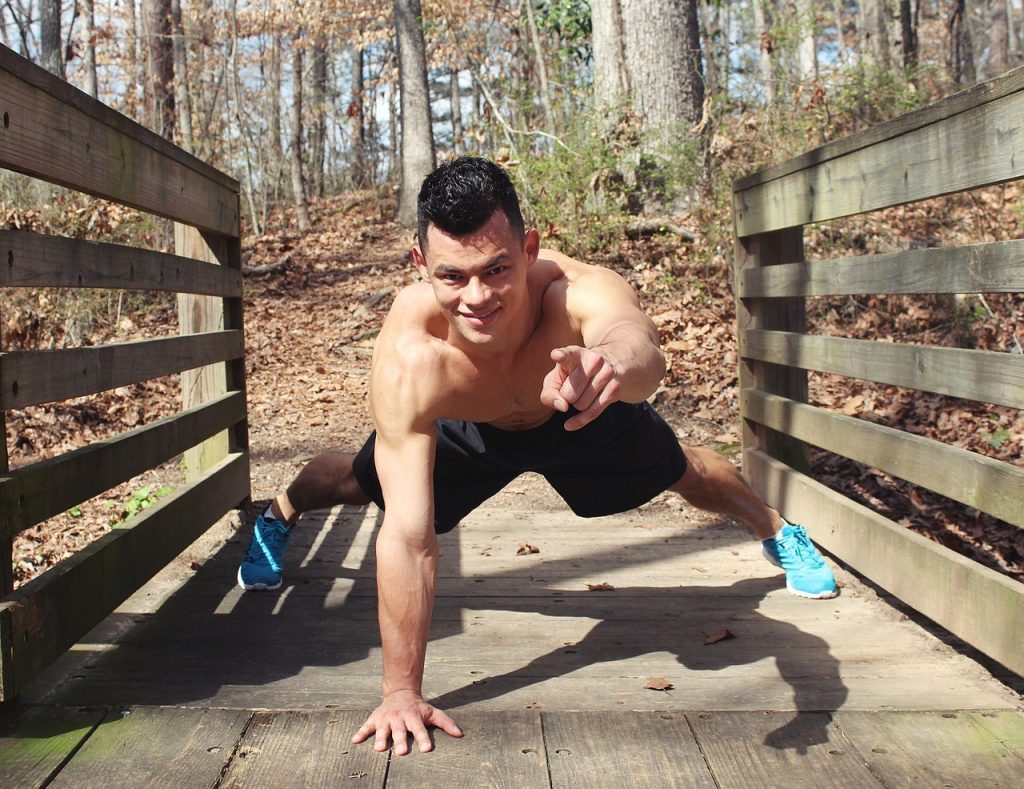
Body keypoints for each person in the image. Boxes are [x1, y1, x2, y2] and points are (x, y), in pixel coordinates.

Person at [237, 156, 838, 755]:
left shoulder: (571, 291)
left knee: (681, 469)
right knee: (354, 482)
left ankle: (775, 528)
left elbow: (638, 340)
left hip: (578, 403)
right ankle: (279, 516)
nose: (477, 296)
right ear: (421, 267)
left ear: (529, 246)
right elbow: (409, 537)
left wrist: (610, 365)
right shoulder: (412, 352)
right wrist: (400, 692)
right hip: (467, 425)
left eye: (497, 268)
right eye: (452, 276)